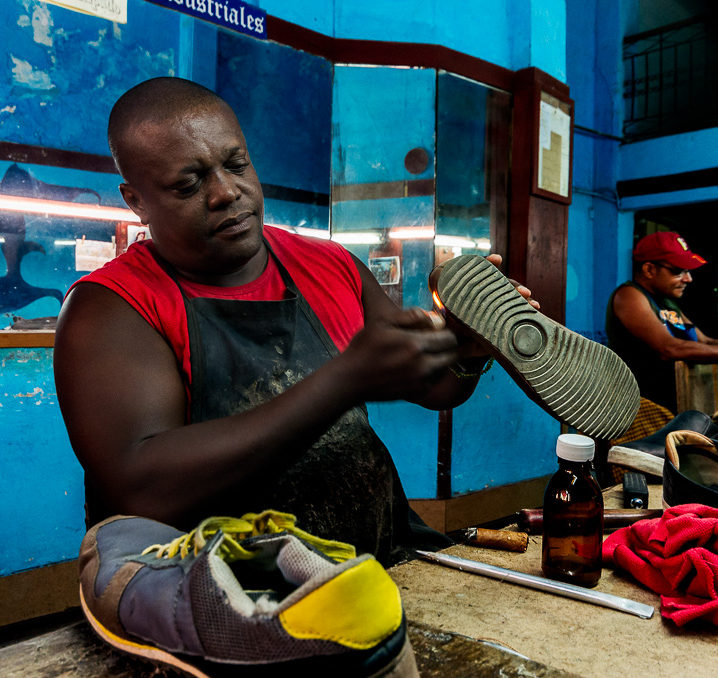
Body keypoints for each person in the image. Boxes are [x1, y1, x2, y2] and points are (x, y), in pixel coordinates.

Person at [54, 77, 538, 567]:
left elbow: (433, 387)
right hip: (218, 593)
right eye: (189, 183)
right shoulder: (111, 307)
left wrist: (468, 349)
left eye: (236, 164)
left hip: (371, 560)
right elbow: (142, 488)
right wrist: (344, 380)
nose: (226, 192)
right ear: (135, 200)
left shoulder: (329, 265)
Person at [606, 231, 718, 414]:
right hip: (640, 411)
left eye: (687, 271)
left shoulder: (668, 302)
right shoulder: (629, 295)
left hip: (672, 408)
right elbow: (669, 348)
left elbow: (704, 341)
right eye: (677, 271)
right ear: (649, 269)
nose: (688, 279)